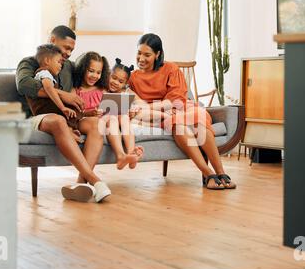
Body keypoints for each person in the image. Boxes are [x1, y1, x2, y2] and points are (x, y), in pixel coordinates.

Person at [129, 33, 237, 190]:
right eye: (139, 53)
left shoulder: (171, 68)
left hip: (180, 107)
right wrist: (158, 111)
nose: (141, 58)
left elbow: (176, 98)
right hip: (162, 115)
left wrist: (154, 107)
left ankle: (221, 173)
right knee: (177, 125)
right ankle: (208, 174)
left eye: (147, 54)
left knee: (199, 117)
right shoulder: (133, 78)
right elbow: (137, 104)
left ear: (158, 54)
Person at [16, 25, 110, 203]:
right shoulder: (30, 63)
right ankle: (95, 180)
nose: (68, 54)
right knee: (58, 120)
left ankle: (81, 185)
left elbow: (89, 75)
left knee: (96, 124)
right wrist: (63, 94)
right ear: (52, 40)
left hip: (67, 117)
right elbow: (24, 85)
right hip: (39, 117)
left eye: (72, 50)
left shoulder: (68, 67)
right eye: (66, 48)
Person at [73, 52, 142, 170]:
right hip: (85, 120)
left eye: (98, 72)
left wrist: (130, 111)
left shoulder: (102, 89)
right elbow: (74, 113)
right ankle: (121, 156)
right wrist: (90, 113)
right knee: (111, 118)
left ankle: (130, 153)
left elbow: (112, 107)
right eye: (91, 71)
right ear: (83, 69)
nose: (94, 75)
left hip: (104, 118)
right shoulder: (76, 89)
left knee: (121, 117)